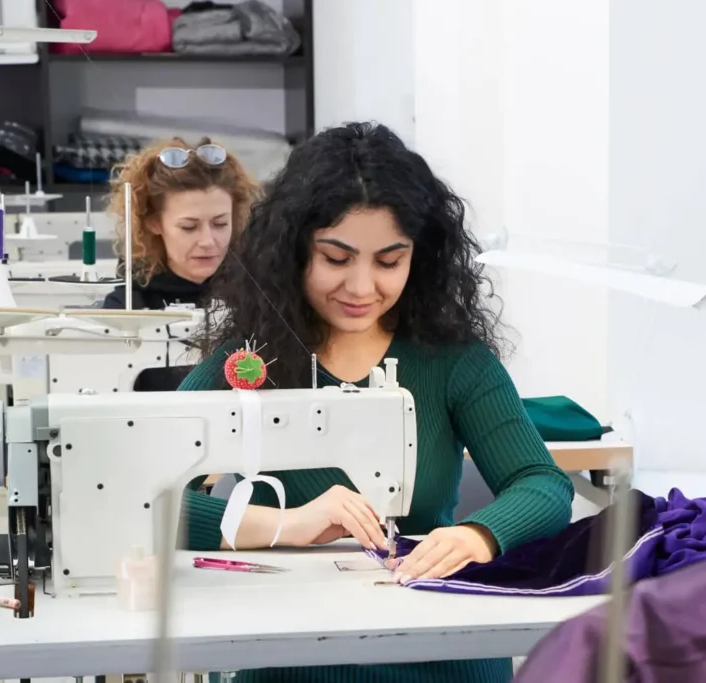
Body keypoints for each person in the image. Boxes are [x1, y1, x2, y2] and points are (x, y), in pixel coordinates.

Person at [178, 122, 575, 683]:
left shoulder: (454, 362)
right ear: (294, 252)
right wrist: (287, 524)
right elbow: (138, 500)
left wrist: (477, 535)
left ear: (420, 257)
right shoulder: (249, 362)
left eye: (389, 262)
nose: (362, 287)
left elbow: (542, 484)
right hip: (294, 656)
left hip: (444, 655)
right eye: (336, 258)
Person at [101, 137, 258, 310]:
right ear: (154, 223)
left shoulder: (259, 294)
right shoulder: (128, 308)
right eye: (189, 227)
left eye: (220, 224)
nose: (207, 241)